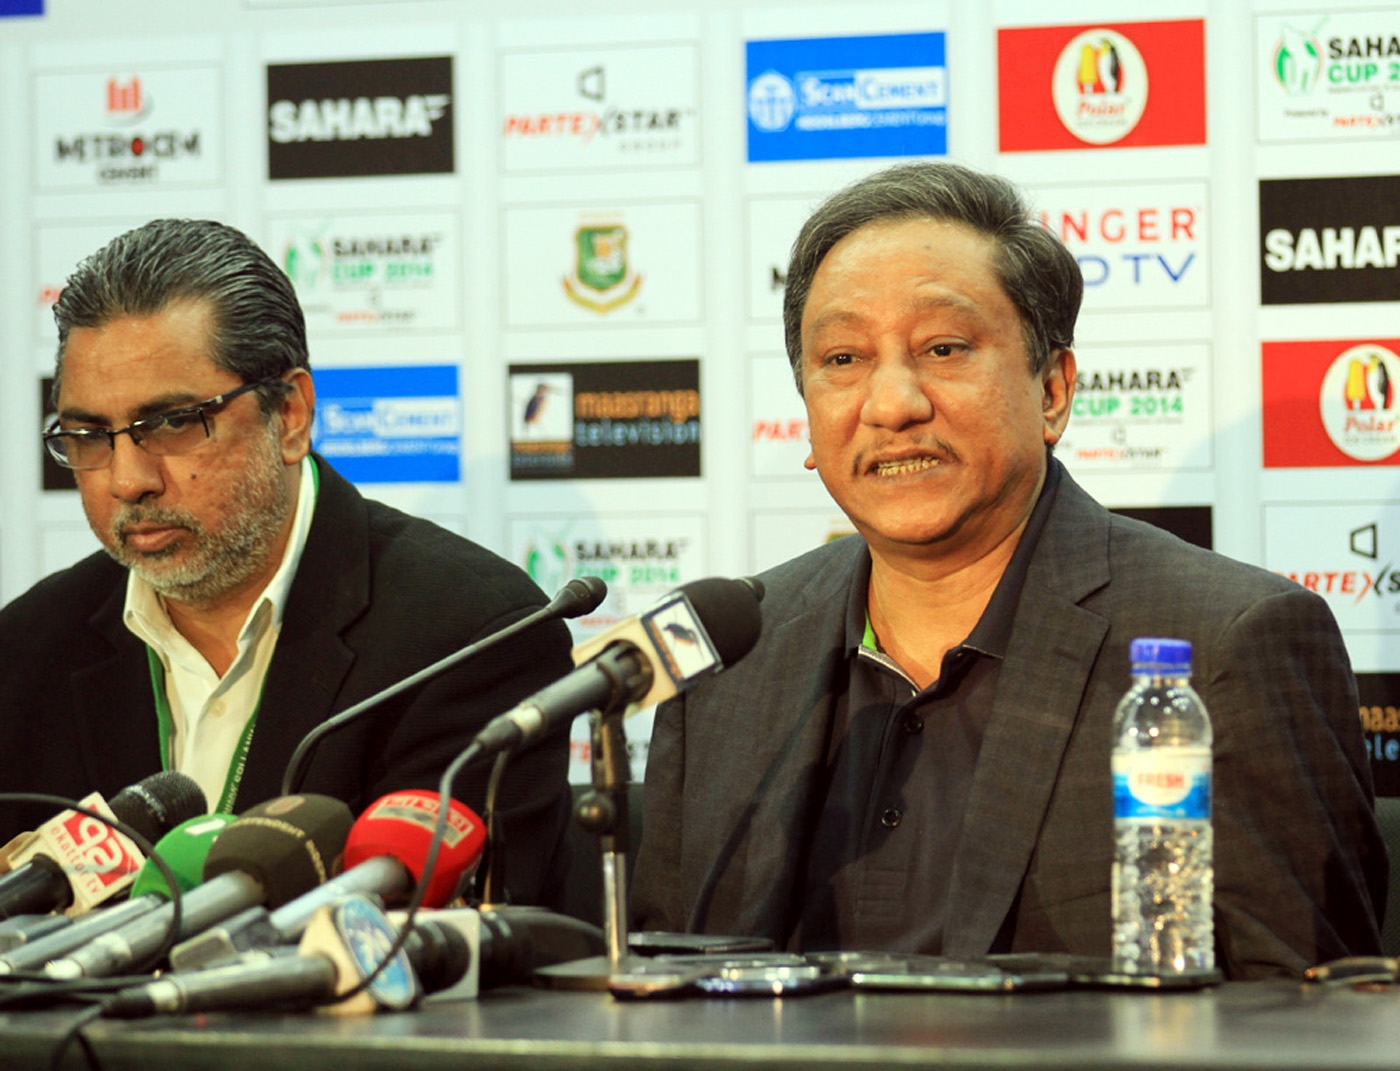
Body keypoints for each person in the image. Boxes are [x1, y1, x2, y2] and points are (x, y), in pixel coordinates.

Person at [631, 162, 1386, 979]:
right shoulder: (724, 659)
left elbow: (1298, 1010)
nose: (892, 404)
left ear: (1052, 390)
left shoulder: (1225, 643)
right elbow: (660, 982)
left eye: (943, 348)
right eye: (843, 358)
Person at [0, 219, 576, 907]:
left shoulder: (471, 638)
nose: (128, 480)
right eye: (90, 435)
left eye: (174, 422)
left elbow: (445, 942)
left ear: (291, 414)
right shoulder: (25, 651)